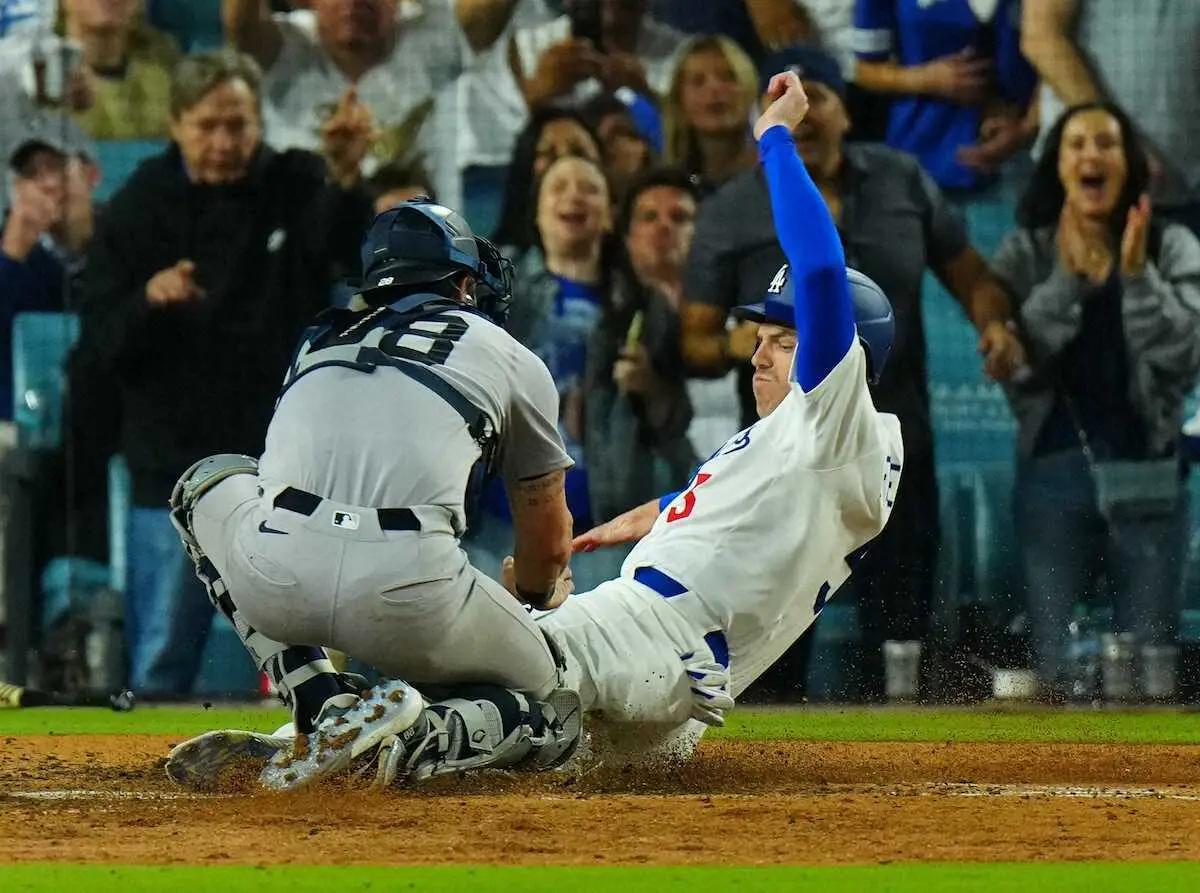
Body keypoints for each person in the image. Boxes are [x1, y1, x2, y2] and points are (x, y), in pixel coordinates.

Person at [166, 69, 904, 790]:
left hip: (652, 634)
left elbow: (820, 277)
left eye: (784, 337)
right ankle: (361, 735)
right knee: (528, 715)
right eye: (762, 335)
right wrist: (657, 512)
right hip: (670, 667)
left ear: (849, 354)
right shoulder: (813, 448)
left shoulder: (835, 418)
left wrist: (775, 141)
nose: (760, 352)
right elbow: (766, 507)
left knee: (507, 668)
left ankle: (381, 728)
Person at [164, 197, 583, 791]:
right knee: (553, 711)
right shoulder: (510, 356)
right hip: (411, 594)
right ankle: (419, 738)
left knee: (202, 482)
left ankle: (317, 702)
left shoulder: (314, 341)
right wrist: (535, 592)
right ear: (464, 283)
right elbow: (547, 535)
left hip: (277, 577)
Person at [990, 102, 1200, 702]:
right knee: (1056, 665)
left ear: (1129, 164)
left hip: (1150, 474)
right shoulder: (1024, 253)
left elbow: (1185, 353)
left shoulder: (1173, 245)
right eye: (1076, 143)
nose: (1091, 155)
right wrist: (1065, 281)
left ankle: (1145, 797)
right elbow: (1018, 371)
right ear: (1056, 166)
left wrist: (1135, 277)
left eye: (1105, 143)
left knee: (1149, 667)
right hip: (1051, 476)